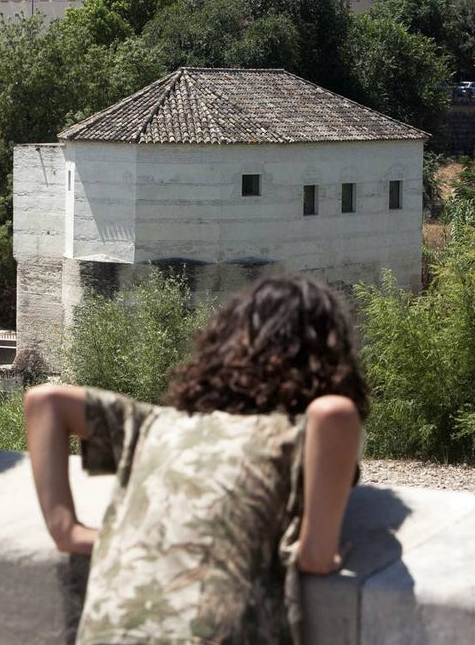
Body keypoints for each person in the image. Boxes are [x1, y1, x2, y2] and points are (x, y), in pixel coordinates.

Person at [25, 273, 368, 644]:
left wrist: (68, 531)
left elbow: (45, 402)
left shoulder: (154, 423)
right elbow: (333, 414)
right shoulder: (289, 435)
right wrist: (318, 552)